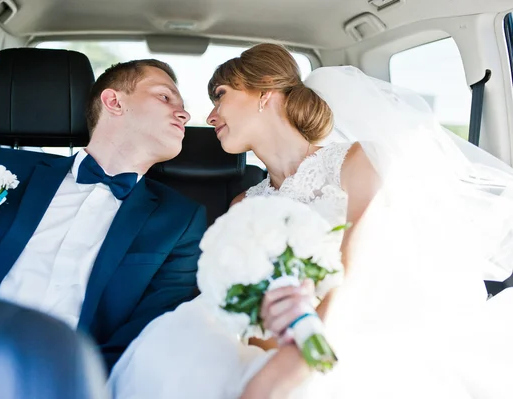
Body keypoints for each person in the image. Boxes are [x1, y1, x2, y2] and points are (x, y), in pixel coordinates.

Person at [109, 44, 513, 398]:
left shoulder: (359, 162)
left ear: (265, 91)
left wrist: (289, 366)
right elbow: (244, 312)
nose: (210, 115)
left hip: (367, 331)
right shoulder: (242, 205)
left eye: (220, 95)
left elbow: (359, 275)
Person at [0, 59, 207, 373]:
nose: (184, 114)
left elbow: (148, 332)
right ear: (114, 102)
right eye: (165, 97)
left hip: (69, 377)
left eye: (183, 106)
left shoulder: (180, 221)